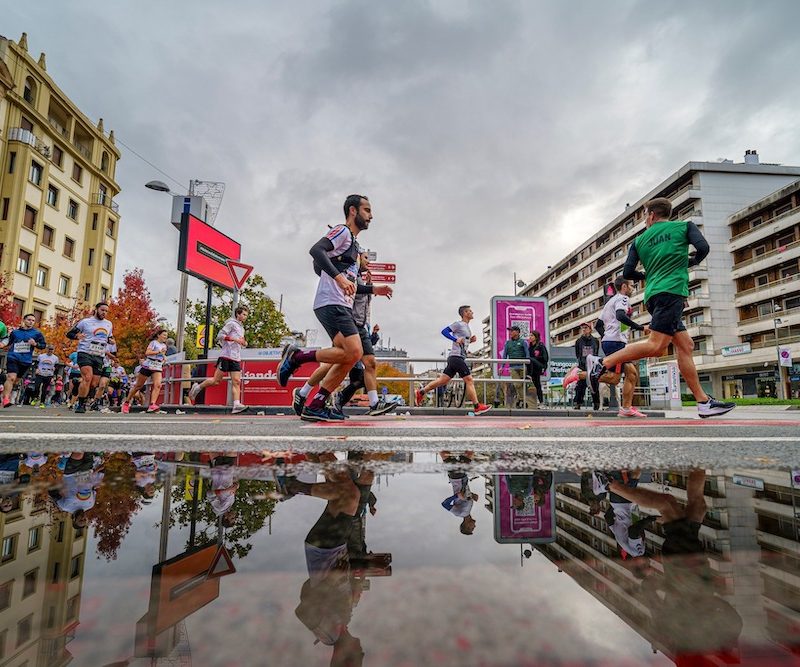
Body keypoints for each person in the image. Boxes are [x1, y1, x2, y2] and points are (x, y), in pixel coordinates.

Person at [590, 197, 735, 418]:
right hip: (673, 292)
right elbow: (703, 248)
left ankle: (703, 402)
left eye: (645, 217)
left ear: (651, 215)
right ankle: (602, 362)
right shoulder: (684, 227)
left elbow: (628, 272)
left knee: (685, 345)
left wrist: (647, 274)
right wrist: (690, 262)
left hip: (654, 296)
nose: (645, 222)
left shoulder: (638, 241)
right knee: (656, 346)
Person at [278, 194, 391, 422]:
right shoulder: (342, 232)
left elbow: (352, 285)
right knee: (355, 352)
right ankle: (297, 356)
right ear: (353, 211)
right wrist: (339, 279)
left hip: (340, 304)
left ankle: (317, 404)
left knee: (348, 357)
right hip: (332, 301)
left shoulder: (354, 246)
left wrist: (373, 290)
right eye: (367, 210)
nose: (371, 215)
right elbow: (316, 251)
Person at [293, 252, 395, 417]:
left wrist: (372, 288)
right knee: (333, 364)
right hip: (347, 323)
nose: (369, 262)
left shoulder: (361, 278)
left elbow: (364, 307)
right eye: (366, 258)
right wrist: (371, 288)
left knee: (370, 363)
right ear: (357, 258)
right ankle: (304, 392)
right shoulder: (349, 275)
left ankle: (374, 403)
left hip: (361, 327)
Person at [564, 277, 649, 418]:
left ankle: (626, 408)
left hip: (613, 341)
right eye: (631, 286)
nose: (633, 288)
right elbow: (621, 316)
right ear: (624, 287)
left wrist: (605, 336)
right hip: (616, 343)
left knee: (632, 373)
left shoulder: (611, 301)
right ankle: (579, 374)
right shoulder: (623, 299)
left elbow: (598, 324)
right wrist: (641, 327)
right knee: (614, 379)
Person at [415, 306, 492, 415]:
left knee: (442, 381)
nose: (472, 312)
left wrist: (470, 341)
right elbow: (444, 331)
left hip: (456, 357)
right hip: (456, 357)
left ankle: (421, 392)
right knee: (469, 380)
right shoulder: (458, 324)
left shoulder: (467, 327)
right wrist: (455, 339)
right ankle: (477, 406)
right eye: (470, 311)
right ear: (465, 313)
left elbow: (462, 342)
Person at [189, 306, 251, 414]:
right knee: (216, 381)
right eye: (244, 314)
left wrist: (244, 343)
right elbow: (220, 336)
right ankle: (198, 387)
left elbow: (241, 341)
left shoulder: (242, 328)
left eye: (246, 315)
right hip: (226, 356)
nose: (245, 317)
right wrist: (234, 339)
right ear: (238, 314)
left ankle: (236, 404)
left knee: (236, 381)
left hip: (236, 357)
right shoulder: (231, 324)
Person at [66, 302, 114, 414]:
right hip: (85, 352)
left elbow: (109, 337)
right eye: (102, 310)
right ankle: (81, 404)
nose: (104, 313)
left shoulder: (108, 324)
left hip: (99, 355)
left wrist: (111, 340)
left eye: (106, 311)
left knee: (93, 383)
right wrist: (77, 336)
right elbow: (69, 334)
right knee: (88, 377)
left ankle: (78, 383)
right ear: (96, 309)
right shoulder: (85, 322)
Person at [1, 313, 47, 408]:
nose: (31, 322)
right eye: (29, 320)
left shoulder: (37, 333)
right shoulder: (15, 332)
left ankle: (3, 392)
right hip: (13, 357)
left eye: (33, 321)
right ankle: (6, 399)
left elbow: (43, 345)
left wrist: (35, 344)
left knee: (16, 381)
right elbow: (7, 342)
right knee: (11, 377)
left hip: (26, 360)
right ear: (24, 320)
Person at [121, 328, 169, 414]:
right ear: (159, 335)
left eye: (166, 336)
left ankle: (152, 404)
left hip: (157, 366)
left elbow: (162, 355)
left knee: (158, 385)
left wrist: (164, 358)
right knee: (138, 386)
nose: (166, 337)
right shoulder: (153, 343)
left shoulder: (164, 346)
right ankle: (127, 402)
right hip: (148, 365)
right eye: (164, 335)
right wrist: (157, 352)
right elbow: (147, 353)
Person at [440, 451, 478, 534]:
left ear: (467, 526)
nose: (474, 526)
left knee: (468, 454)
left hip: (457, 478)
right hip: (461, 477)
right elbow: (464, 494)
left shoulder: (460, 513)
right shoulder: (467, 511)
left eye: (472, 528)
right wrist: (472, 495)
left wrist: (456, 496)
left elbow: (445, 504)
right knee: (447, 455)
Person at [572, 322, 599, 410]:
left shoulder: (595, 341)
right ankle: (578, 403)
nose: (584, 329)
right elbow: (577, 354)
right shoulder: (578, 341)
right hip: (582, 366)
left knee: (594, 385)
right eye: (582, 328)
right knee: (580, 386)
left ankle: (596, 403)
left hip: (592, 366)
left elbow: (596, 352)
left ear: (590, 329)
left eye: (586, 327)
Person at [502, 325, 529, 409]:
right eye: (510, 331)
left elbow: (527, 353)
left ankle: (520, 400)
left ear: (517, 332)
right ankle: (522, 400)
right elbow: (504, 355)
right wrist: (502, 367)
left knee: (523, 385)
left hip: (522, 366)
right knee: (517, 384)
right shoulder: (507, 343)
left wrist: (528, 364)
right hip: (513, 367)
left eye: (512, 331)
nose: (510, 332)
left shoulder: (523, 342)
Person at [91, 334, 118, 411]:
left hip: (107, 366)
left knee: (102, 385)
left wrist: (113, 344)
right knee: (94, 384)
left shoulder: (112, 345)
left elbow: (114, 355)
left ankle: (96, 402)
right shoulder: (98, 342)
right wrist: (109, 354)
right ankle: (86, 398)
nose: (109, 339)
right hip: (98, 364)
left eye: (111, 338)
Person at [527, 330, 549, 408]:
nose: (530, 337)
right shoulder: (529, 347)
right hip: (533, 368)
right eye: (529, 335)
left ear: (536, 337)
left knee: (530, 359)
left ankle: (529, 374)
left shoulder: (540, 346)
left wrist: (537, 359)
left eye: (532, 335)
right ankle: (540, 402)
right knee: (537, 385)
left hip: (540, 365)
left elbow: (545, 358)